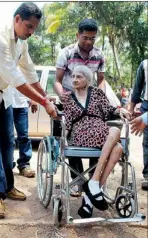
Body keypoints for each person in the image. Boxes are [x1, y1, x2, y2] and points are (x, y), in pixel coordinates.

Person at [0, 2, 57, 219]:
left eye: (35, 28)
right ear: (17, 19)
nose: (31, 32)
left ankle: (7, 186)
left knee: (9, 142)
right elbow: (15, 78)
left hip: (1, 93)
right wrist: (44, 103)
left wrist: (45, 96)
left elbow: (30, 72)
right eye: (28, 26)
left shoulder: (21, 42)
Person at [61, 65, 131, 218]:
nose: (75, 79)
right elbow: (69, 121)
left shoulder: (97, 93)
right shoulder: (67, 98)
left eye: (79, 76)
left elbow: (109, 109)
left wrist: (121, 110)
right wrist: (63, 139)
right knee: (115, 131)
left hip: (100, 130)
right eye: (73, 76)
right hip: (81, 132)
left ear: (87, 80)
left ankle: (90, 194)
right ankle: (94, 185)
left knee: (118, 148)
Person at [54, 18, 106, 195]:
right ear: (77, 35)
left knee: (98, 133)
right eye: (85, 38)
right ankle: (77, 181)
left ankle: (92, 182)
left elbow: (101, 81)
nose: (89, 42)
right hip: (70, 97)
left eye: (92, 38)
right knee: (69, 137)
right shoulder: (66, 53)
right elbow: (57, 81)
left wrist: (98, 99)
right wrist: (67, 100)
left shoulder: (99, 55)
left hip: (89, 99)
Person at [128, 59, 148, 191]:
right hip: (147, 105)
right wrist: (130, 109)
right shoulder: (145, 64)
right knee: (147, 141)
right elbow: (137, 88)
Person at [12, 89, 37, 177]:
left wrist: (33, 98)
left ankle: (24, 165)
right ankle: (7, 165)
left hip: (21, 103)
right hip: (5, 103)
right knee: (7, 137)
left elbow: (31, 80)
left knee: (23, 136)